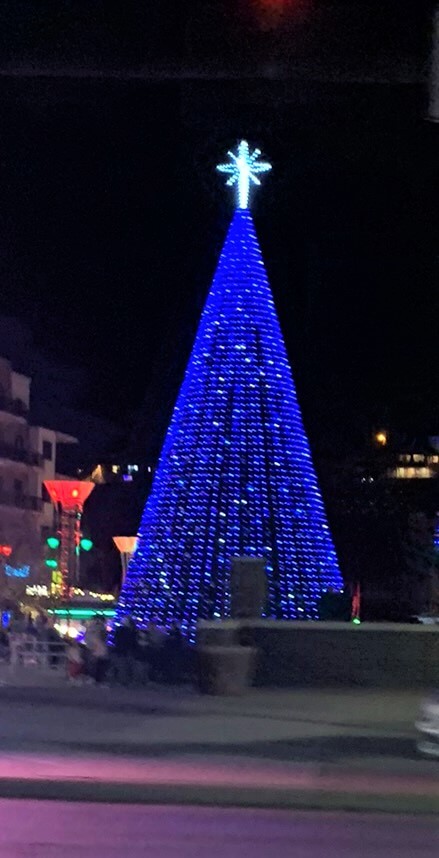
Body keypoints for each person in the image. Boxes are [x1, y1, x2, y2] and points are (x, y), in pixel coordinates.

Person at [113, 617, 137, 685]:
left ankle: (123, 680)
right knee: (125, 666)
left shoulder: (120, 630)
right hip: (126, 650)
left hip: (122, 650)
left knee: (123, 666)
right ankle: (125, 680)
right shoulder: (131, 631)